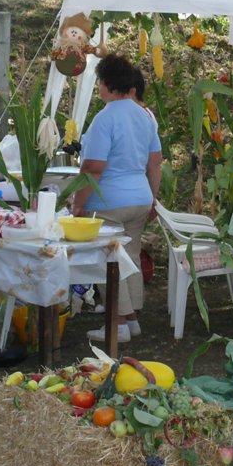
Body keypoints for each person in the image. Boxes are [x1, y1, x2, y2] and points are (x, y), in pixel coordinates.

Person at [71, 55, 162, 345]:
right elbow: (155, 162)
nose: (98, 87)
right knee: (130, 256)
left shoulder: (105, 118)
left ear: (108, 84)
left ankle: (118, 324)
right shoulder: (144, 115)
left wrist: (78, 203)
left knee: (109, 261)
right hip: (140, 198)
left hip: (109, 202)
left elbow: (92, 168)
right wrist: (153, 198)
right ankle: (132, 319)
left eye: (99, 81)